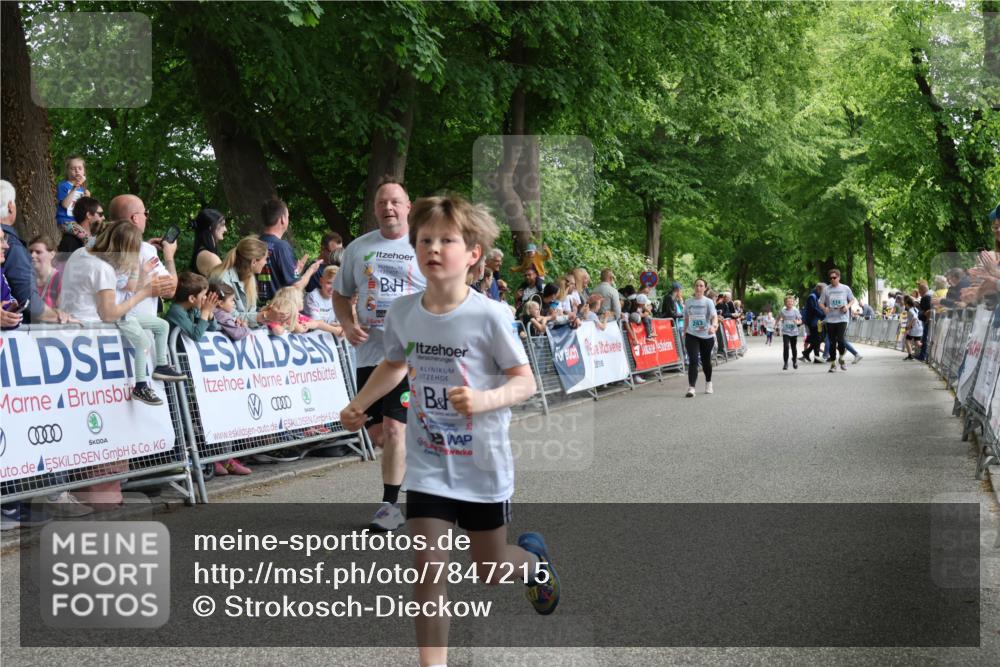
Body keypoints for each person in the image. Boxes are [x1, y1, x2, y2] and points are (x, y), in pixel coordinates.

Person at [339, 194, 559, 667]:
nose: (433, 248)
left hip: (481, 465)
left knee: (491, 569)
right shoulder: (402, 312)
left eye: (446, 240)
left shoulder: (489, 315)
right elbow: (395, 364)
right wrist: (360, 402)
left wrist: (485, 399)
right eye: (425, 240)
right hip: (428, 464)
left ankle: (533, 563)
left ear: (473, 253)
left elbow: (524, 382)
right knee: (429, 574)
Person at [332, 178, 426, 531]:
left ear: (408, 207)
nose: (388, 208)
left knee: (394, 428)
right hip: (370, 354)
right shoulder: (358, 248)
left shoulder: (422, 246)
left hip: (410, 355)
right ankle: (414, 462)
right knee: (378, 436)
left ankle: (388, 507)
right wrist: (346, 321)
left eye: (395, 202)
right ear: (375, 209)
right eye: (382, 202)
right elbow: (341, 294)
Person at [59, 221, 185, 406]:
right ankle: (141, 386)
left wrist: (137, 269)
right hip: (95, 328)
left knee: (161, 325)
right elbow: (109, 314)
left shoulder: (81, 253)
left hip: (81, 323)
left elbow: (127, 286)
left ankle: (161, 365)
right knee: (142, 341)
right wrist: (145, 292)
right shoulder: (103, 268)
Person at [256, 198, 322, 305]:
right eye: (288, 217)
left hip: (256, 310)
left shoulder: (254, 243)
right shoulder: (281, 246)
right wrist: (311, 270)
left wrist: (296, 271)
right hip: (278, 311)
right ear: (282, 219)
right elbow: (296, 286)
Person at [210, 236, 271, 327]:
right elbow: (231, 316)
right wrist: (262, 316)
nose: (266, 262)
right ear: (254, 262)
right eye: (265, 259)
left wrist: (265, 312)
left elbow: (248, 315)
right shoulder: (221, 278)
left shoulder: (250, 277)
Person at [683, 278, 719, 397]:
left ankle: (708, 382)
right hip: (692, 334)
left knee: (705, 361)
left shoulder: (708, 302)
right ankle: (691, 388)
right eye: (697, 285)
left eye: (701, 286)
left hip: (706, 335)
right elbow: (687, 318)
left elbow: (714, 317)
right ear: (694, 287)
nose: (698, 288)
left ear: (705, 288)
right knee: (693, 360)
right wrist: (684, 331)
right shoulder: (688, 302)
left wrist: (713, 327)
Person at [819, 268, 856, 373]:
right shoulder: (826, 289)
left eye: (834, 277)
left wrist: (847, 307)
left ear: (839, 278)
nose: (832, 279)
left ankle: (842, 359)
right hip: (830, 319)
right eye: (831, 278)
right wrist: (824, 308)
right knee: (831, 342)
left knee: (840, 339)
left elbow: (852, 299)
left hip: (842, 318)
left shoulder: (845, 288)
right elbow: (820, 302)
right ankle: (833, 364)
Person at [165, 272, 220, 341]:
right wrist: (205, 312)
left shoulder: (192, 309)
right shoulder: (176, 311)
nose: (205, 297)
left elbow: (212, 328)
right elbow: (196, 336)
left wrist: (209, 312)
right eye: (203, 295)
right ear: (192, 299)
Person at [55, 155, 90, 239]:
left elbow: (83, 209)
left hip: (77, 222)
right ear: (67, 171)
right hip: (65, 221)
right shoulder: (63, 186)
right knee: (86, 238)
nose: (77, 171)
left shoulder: (83, 189)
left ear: (84, 172)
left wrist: (87, 199)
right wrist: (74, 188)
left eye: (80, 168)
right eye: (73, 168)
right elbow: (65, 205)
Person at [304, 265, 344, 337]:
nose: (333, 288)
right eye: (329, 283)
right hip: (309, 336)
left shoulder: (338, 298)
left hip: (327, 337)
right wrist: (336, 330)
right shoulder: (313, 297)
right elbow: (317, 323)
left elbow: (337, 322)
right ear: (321, 281)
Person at [189, 208, 228, 276]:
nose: (225, 229)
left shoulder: (203, 253)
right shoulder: (210, 258)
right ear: (211, 227)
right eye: (222, 225)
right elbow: (224, 285)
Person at [28, 236, 62, 308]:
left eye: (38, 252)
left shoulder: (61, 279)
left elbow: (63, 313)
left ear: (52, 254)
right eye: (30, 252)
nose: (32, 255)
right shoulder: (26, 278)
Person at [800, 283, 825, 363]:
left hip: (816, 321)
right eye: (823, 291)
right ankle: (814, 356)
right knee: (817, 339)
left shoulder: (817, 297)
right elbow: (814, 309)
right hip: (812, 322)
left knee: (816, 339)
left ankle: (808, 353)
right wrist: (823, 315)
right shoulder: (812, 297)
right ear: (818, 289)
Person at [776, 296, 802, 370]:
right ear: (785, 303)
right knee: (786, 346)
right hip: (785, 331)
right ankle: (786, 363)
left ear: (793, 303)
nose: (790, 303)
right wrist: (775, 325)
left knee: (794, 347)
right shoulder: (783, 311)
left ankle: (794, 360)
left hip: (794, 331)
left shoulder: (795, 310)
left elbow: (800, 320)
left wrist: (797, 322)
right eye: (788, 301)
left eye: (791, 301)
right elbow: (778, 317)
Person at [901, 295, 924, 360]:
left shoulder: (910, 310)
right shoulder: (915, 309)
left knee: (907, 340)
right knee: (917, 342)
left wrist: (909, 326)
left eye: (905, 304)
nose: (905, 306)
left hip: (914, 328)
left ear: (907, 304)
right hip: (919, 327)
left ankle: (910, 355)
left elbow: (914, 318)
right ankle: (925, 348)